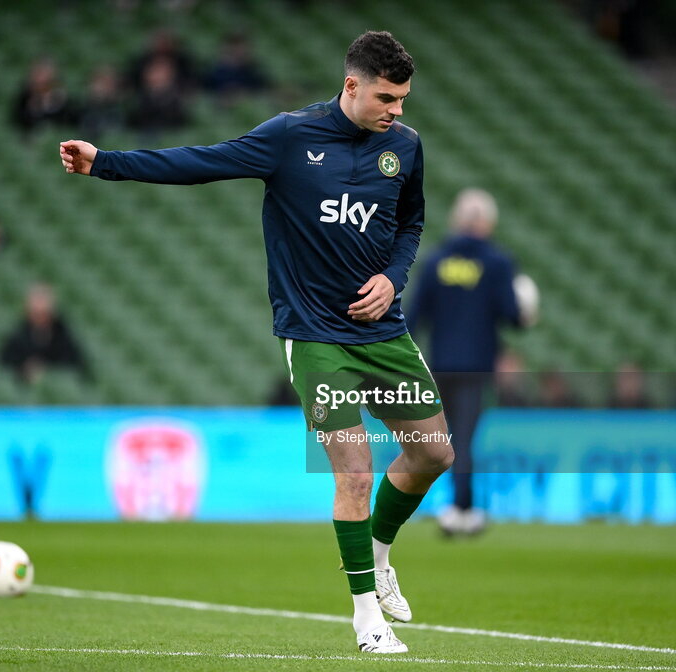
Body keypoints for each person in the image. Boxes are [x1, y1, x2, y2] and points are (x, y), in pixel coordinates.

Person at [60, 31, 450, 655]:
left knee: (434, 454)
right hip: (315, 333)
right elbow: (199, 162)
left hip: (383, 331)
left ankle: (379, 558)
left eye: (403, 99)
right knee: (354, 473)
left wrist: (392, 277)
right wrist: (104, 161)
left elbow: (412, 222)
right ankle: (364, 620)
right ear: (351, 86)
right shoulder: (290, 137)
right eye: (387, 97)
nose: (397, 110)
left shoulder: (405, 147)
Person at [404, 188, 526, 536]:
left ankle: (443, 506)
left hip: (440, 365)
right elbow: (512, 315)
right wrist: (525, 313)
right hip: (475, 368)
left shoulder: (436, 260)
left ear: (457, 220)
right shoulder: (498, 261)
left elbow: (413, 318)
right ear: (488, 222)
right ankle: (462, 509)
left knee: (437, 442)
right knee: (464, 442)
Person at [0, 284, 90, 384]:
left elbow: (76, 364)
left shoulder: (64, 335)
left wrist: (46, 369)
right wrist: (24, 369)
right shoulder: (18, 336)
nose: (40, 318)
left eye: (44, 313)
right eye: (36, 313)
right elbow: (5, 363)